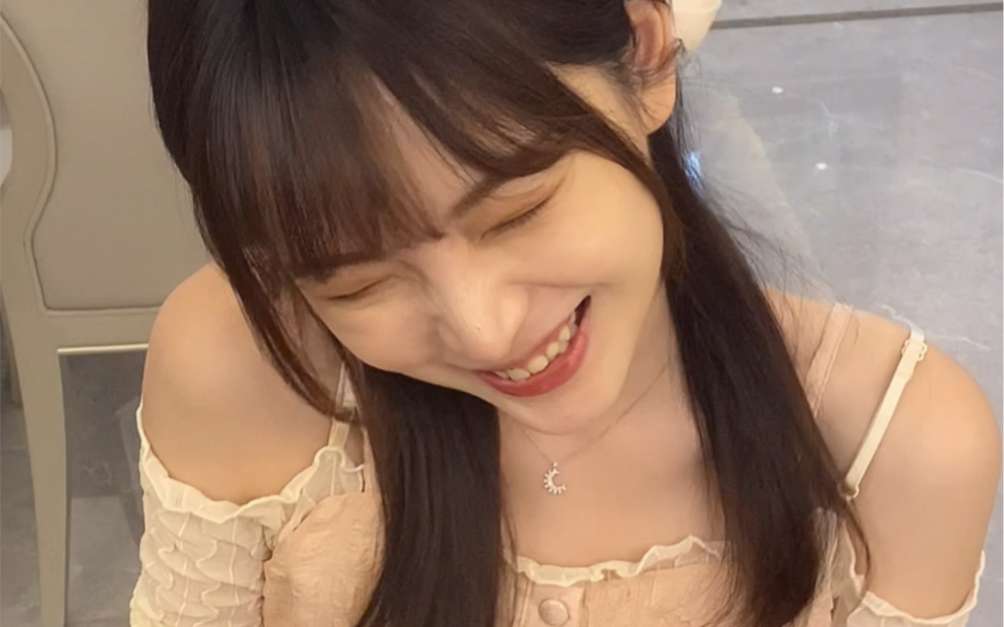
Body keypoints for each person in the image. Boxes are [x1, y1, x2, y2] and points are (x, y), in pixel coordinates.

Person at [131, 1, 1000, 626]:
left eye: (516, 212)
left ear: (645, 53)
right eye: (357, 284)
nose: (484, 329)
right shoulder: (240, 365)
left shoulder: (897, 449)